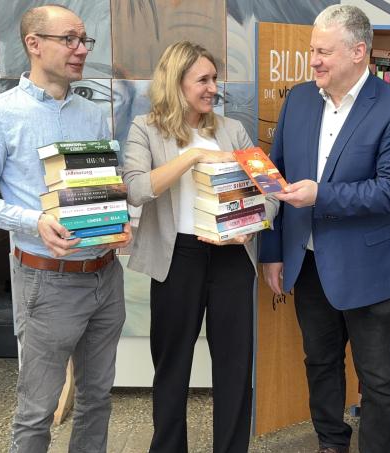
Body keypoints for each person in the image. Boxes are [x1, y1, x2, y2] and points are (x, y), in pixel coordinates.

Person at [0, 5, 131, 452]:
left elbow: (96, 188)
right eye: (69, 40)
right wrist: (33, 220)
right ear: (34, 44)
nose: (80, 50)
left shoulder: (92, 114)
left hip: (105, 275)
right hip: (46, 281)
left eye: (83, 41)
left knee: (97, 399)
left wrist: (116, 221)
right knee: (37, 411)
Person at [259, 5, 390, 453]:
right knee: (320, 364)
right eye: (313, 50)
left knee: (380, 379)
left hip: (369, 269)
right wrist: (272, 252)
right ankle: (331, 443)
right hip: (308, 264)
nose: (314, 60)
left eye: (324, 52)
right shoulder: (298, 100)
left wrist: (321, 196)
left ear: (358, 52)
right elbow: (274, 179)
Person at [122, 41, 276, 453]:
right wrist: (191, 156)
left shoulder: (233, 130)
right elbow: (136, 190)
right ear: (176, 83)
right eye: (203, 80)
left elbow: (271, 192)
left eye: (214, 79)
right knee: (172, 368)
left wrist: (253, 224)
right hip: (178, 259)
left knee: (234, 367)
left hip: (230, 258)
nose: (213, 88)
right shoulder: (146, 129)